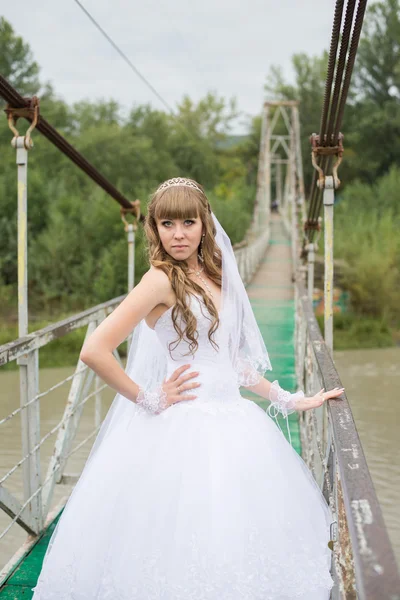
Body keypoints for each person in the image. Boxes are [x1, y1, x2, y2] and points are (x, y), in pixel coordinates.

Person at [31, 177, 344, 600]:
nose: (178, 234)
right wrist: (149, 396)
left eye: (188, 222)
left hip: (235, 423)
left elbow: (233, 364)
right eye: (166, 223)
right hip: (182, 428)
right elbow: (94, 349)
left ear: (204, 224)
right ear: (155, 229)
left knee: (233, 535)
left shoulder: (218, 274)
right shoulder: (159, 280)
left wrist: (290, 399)